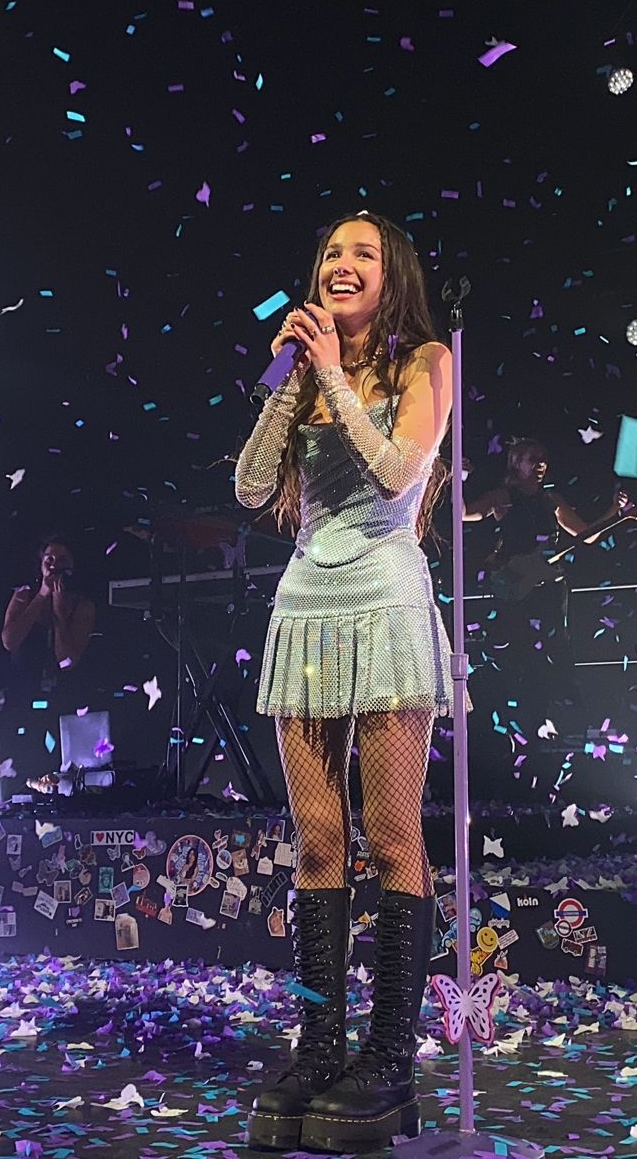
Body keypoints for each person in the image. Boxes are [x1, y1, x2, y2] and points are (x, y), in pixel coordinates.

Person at [235, 212, 470, 1152]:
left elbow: (396, 476)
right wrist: (289, 382)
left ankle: (387, 1060)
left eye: (361, 253)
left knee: (389, 834)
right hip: (304, 605)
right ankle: (320, 1044)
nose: (341, 264)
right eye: (331, 252)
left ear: (392, 276)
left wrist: (334, 374)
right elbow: (253, 487)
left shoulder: (425, 364)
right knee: (318, 840)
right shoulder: (303, 367)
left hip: (383, 603)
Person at [462, 439, 628, 716]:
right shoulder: (502, 497)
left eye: (543, 458)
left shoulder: (552, 499)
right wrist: (460, 479)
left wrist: (614, 512)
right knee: (518, 646)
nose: (541, 464)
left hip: (549, 584)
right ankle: (521, 707)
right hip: (515, 583)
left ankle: (564, 707)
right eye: (533, 458)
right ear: (517, 463)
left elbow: (585, 536)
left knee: (557, 644)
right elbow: (465, 514)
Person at [1, 534, 95, 791]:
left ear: (72, 565)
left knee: (58, 777)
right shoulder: (24, 595)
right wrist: (41, 596)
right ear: (41, 565)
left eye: (61, 559)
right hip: (21, 694)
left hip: (63, 699)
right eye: (49, 559)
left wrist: (59, 614)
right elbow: (9, 640)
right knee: (15, 769)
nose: (54, 564)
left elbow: (66, 660)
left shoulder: (82, 605)